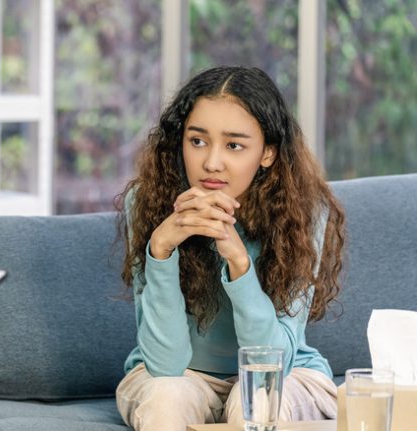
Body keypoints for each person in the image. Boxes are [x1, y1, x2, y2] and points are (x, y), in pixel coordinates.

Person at [114, 66, 346, 430]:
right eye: (197, 141)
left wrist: (238, 261)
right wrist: (160, 250)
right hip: (180, 377)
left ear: (267, 152)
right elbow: (166, 364)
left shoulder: (305, 211)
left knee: (255, 398)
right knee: (166, 396)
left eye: (234, 145)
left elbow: (272, 363)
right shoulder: (145, 202)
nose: (211, 162)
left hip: (288, 373)